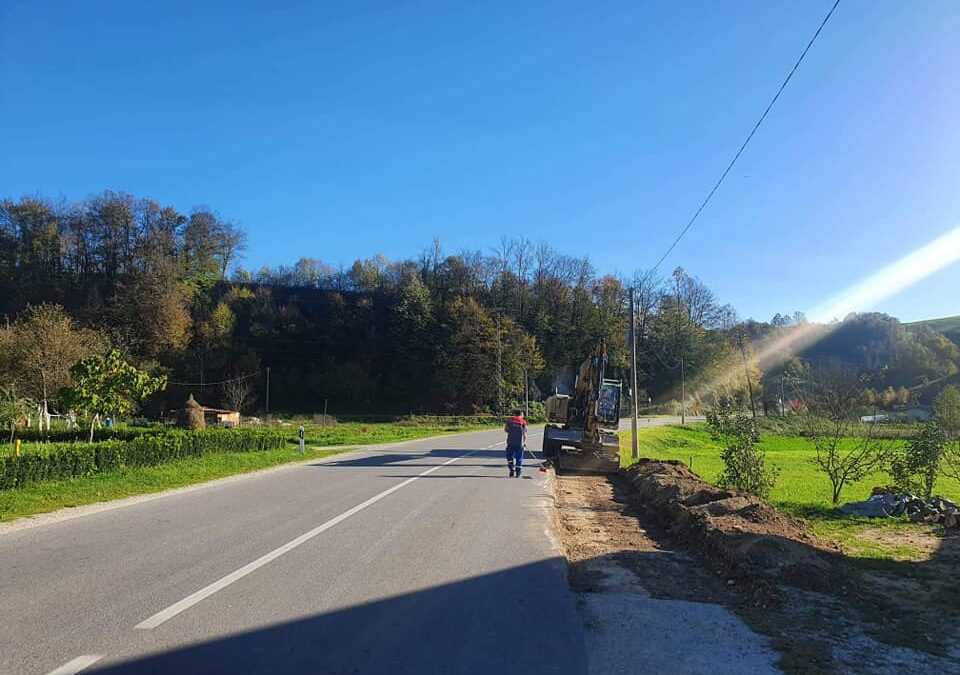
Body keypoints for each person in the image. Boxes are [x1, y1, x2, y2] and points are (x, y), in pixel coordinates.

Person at [504, 410, 527, 477]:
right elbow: (525, 434)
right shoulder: (523, 422)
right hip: (519, 444)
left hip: (510, 442)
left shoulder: (510, 421)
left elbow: (506, 429)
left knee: (509, 456)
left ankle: (511, 468)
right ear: (521, 414)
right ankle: (518, 471)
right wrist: (524, 442)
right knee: (519, 457)